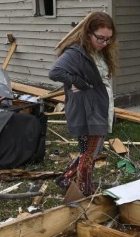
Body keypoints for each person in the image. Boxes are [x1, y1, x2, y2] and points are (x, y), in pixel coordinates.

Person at [49, 12, 117, 196]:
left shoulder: (99, 52)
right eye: (100, 38)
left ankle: (65, 179)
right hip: (87, 111)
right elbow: (55, 72)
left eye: (108, 39)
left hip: (100, 107)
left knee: (88, 151)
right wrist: (79, 83)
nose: (104, 43)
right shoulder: (76, 52)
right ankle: (85, 192)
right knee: (89, 153)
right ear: (88, 34)